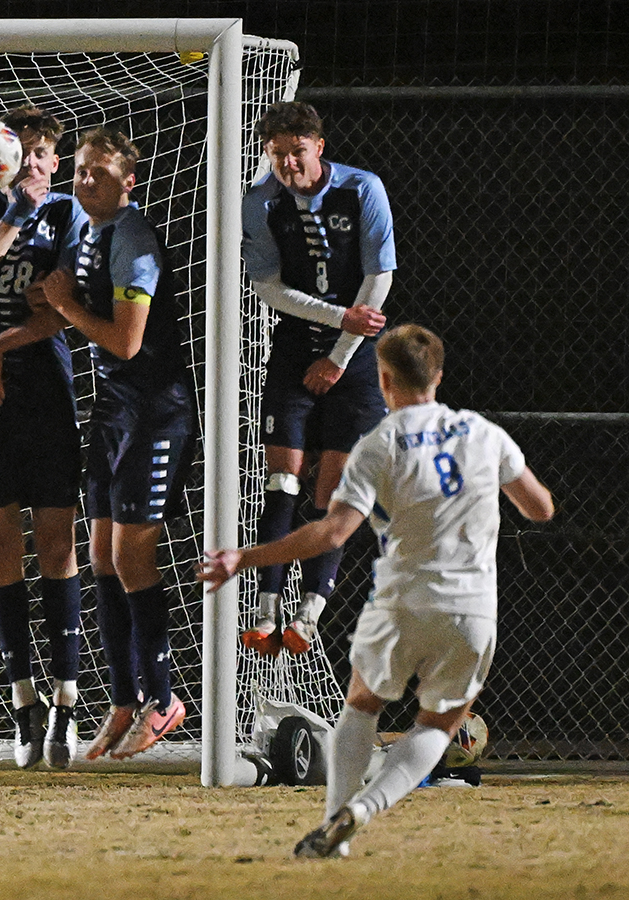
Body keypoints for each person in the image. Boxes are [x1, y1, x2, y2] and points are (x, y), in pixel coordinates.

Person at [199, 324, 554, 858]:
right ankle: (363, 811)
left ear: (384, 379)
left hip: (400, 602)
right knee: (438, 723)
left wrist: (243, 557)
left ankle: (334, 822)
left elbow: (331, 532)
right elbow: (540, 508)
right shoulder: (483, 434)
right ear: (438, 376)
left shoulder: (379, 442)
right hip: (473, 607)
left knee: (362, 705)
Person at [29, 127, 194, 761]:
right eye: (79, 169)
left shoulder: (133, 237)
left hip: (157, 414)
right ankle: (124, 699)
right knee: (99, 554)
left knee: (131, 558)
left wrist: (64, 304)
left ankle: (165, 696)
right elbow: (63, 299)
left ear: (128, 182)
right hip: (113, 412)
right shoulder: (85, 229)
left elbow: (125, 342)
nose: (83, 179)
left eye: (98, 172)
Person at [0, 106, 88, 768]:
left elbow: (64, 310)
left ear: (55, 163)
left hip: (45, 395)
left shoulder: (67, 214)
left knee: (58, 545)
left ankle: (66, 699)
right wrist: (10, 221)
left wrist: (0, 341)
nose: (30, 163)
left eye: (40, 154)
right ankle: (22, 702)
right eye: (20, 151)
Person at [240, 100, 396, 657]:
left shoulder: (363, 190)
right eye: (277, 154)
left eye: (297, 153)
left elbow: (378, 282)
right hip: (295, 346)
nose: (288, 165)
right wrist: (334, 321)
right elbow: (269, 288)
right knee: (281, 481)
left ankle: (308, 615)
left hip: (354, 358)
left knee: (332, 494)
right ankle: (265, 608)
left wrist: (339, 351)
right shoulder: (259, 203)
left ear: (319, 147)